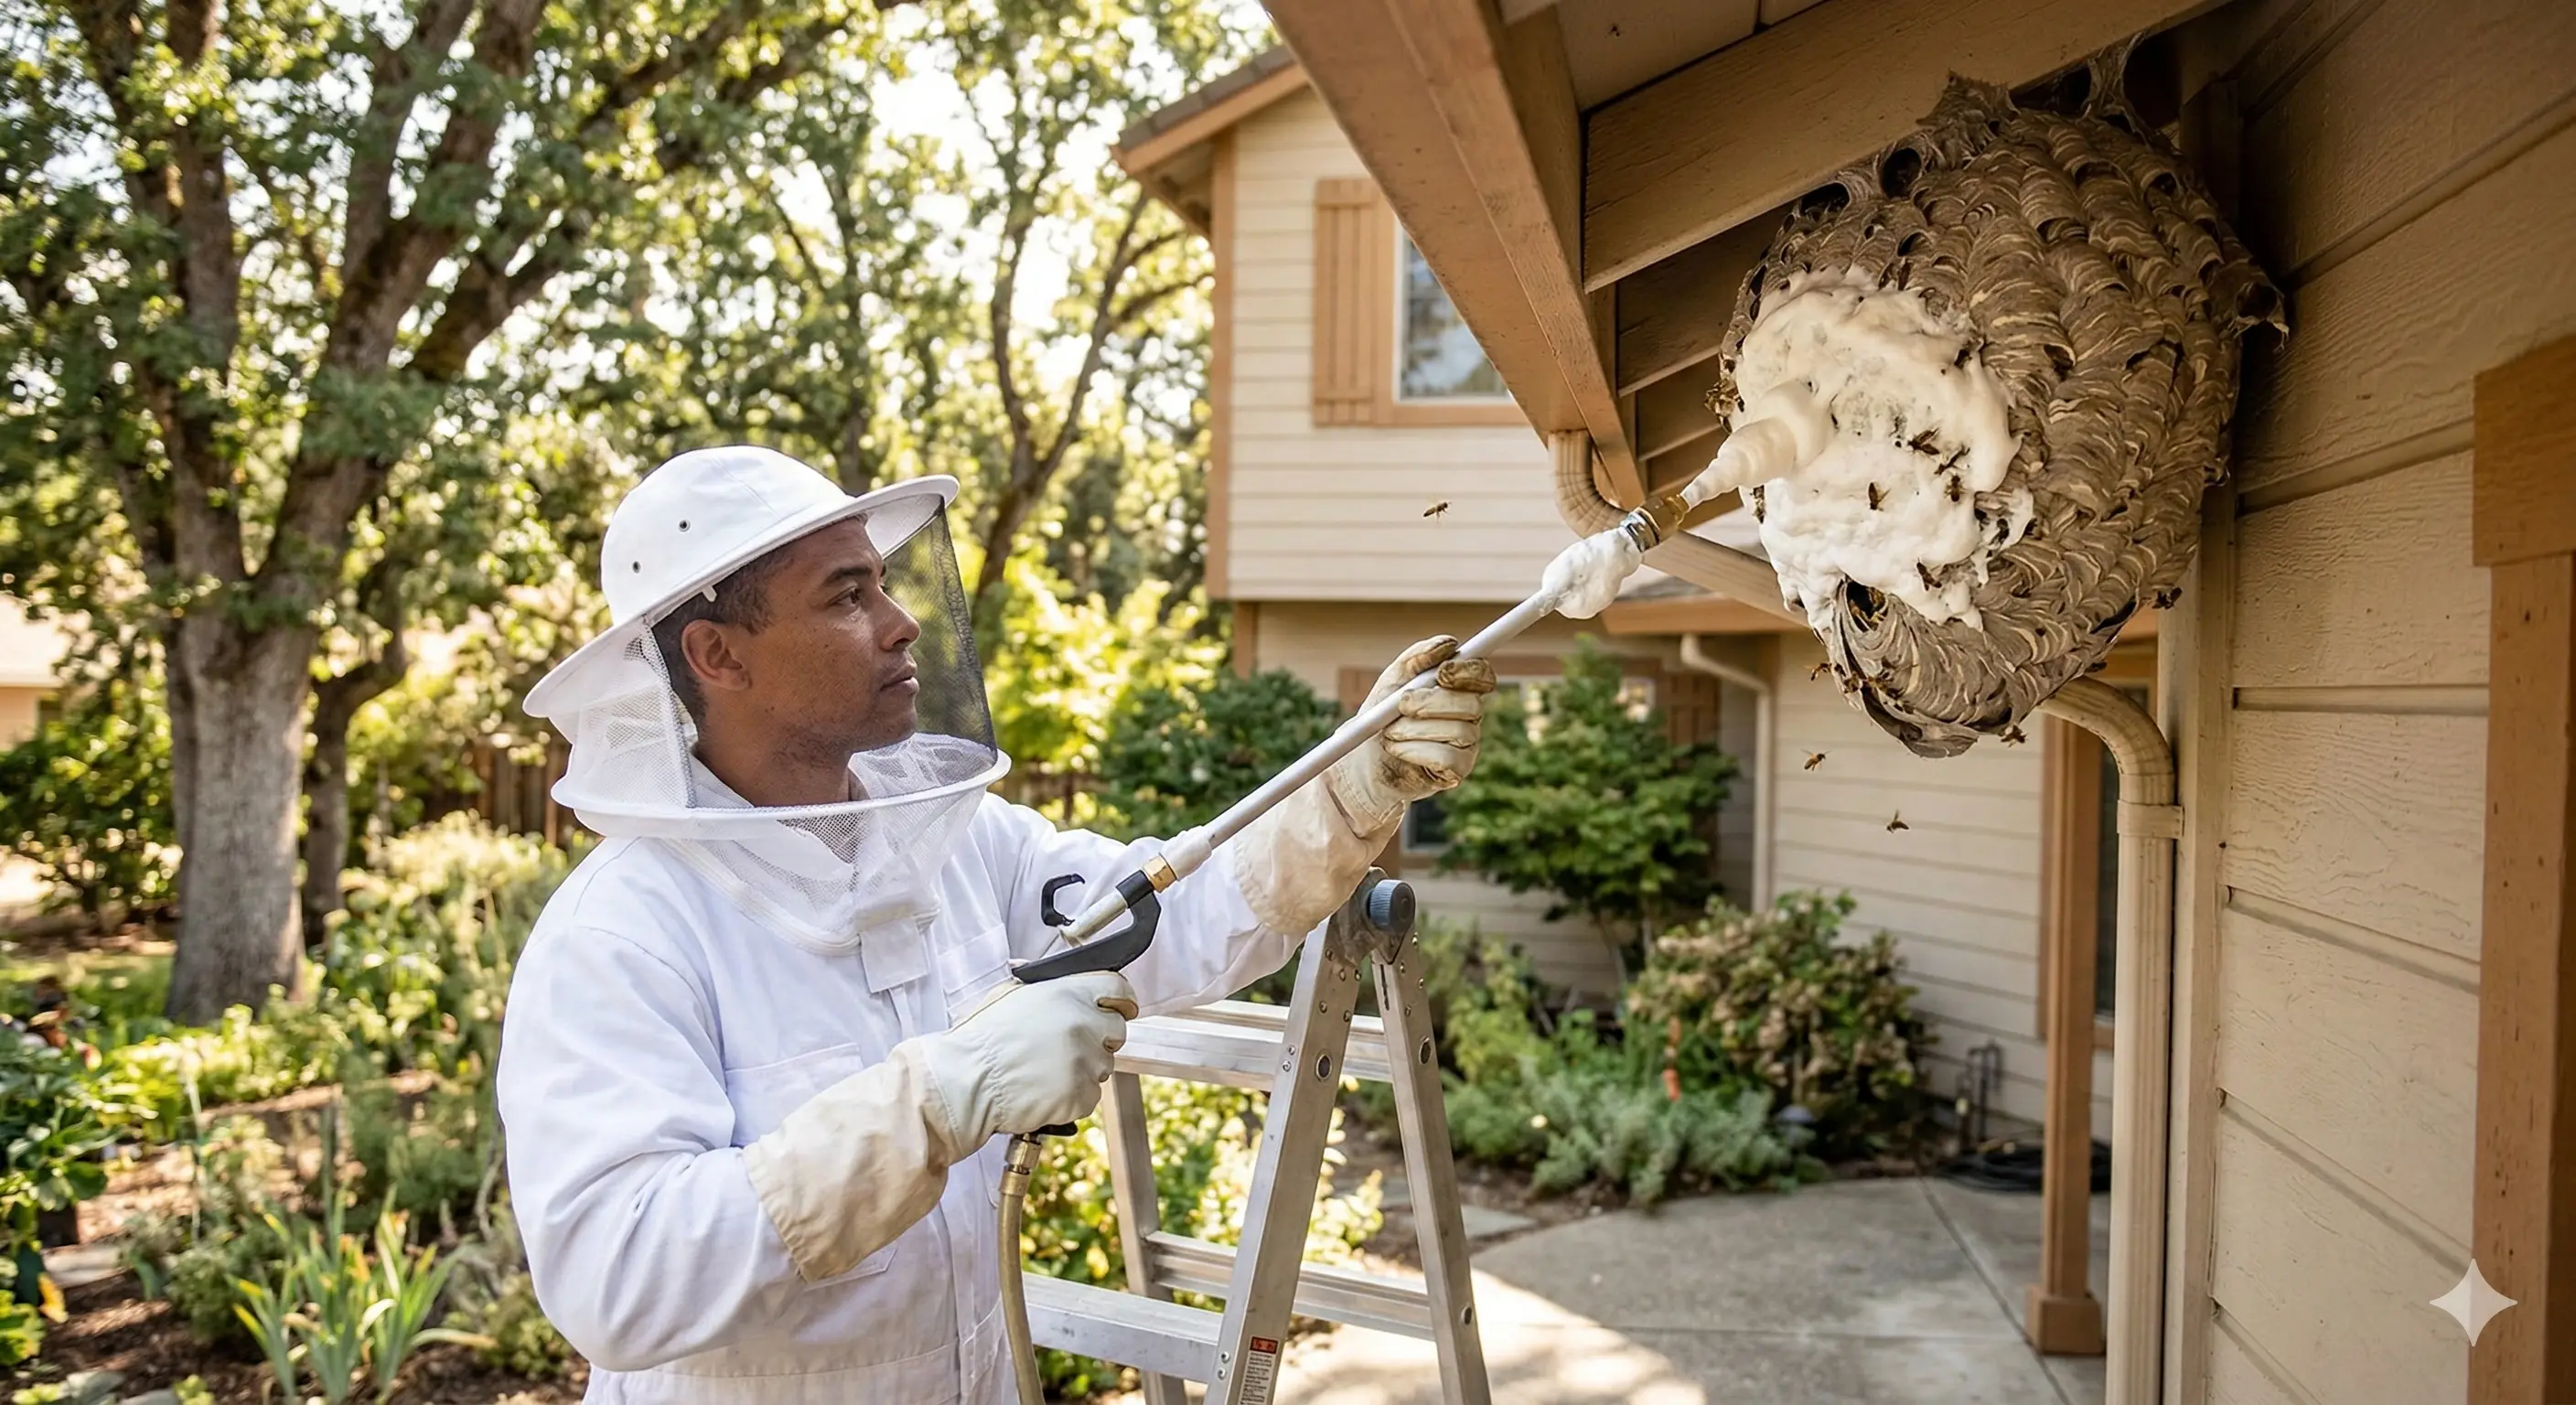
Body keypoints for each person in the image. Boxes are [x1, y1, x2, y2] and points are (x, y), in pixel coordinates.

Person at [496, 446, 1494, 1402]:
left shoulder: (957, 844)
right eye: (847, 596)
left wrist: (1352, 790)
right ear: (717, 654)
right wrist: (931, 1102)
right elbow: (616, 1281)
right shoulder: (622, 936)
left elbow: (1170, 912)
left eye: (883, 583)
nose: (900, 624)